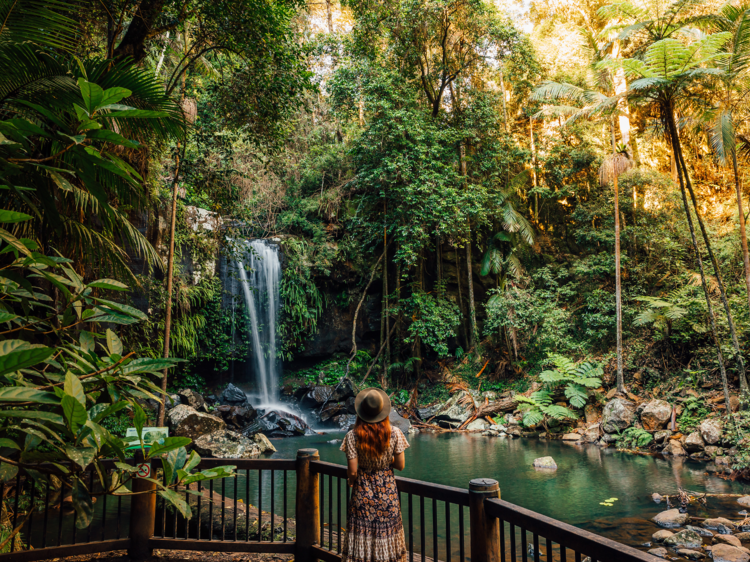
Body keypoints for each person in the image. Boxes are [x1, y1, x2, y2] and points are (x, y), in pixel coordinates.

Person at [340, 387, 409, 562]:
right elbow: (400, 465)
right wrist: (384, 463)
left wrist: (351, 480)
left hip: (362, 494)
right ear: (383, 412)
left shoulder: (352, 436)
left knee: (362, 536)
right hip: (388, 494)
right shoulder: (395, 434)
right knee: (387, 535)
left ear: (361, 412)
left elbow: (353, 470)